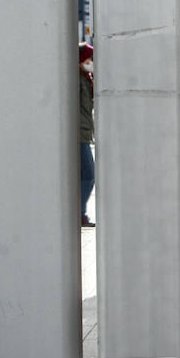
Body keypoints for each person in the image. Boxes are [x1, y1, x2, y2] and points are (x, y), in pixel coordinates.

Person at [79, 43, 96, 227]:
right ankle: (79, 212)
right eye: (88, 59)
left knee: (86, 175)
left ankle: (80, 212)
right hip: (79, 135)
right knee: (89, 174)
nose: (90, 63)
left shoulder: (86, 78)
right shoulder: (78, 80)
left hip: (84, 133)